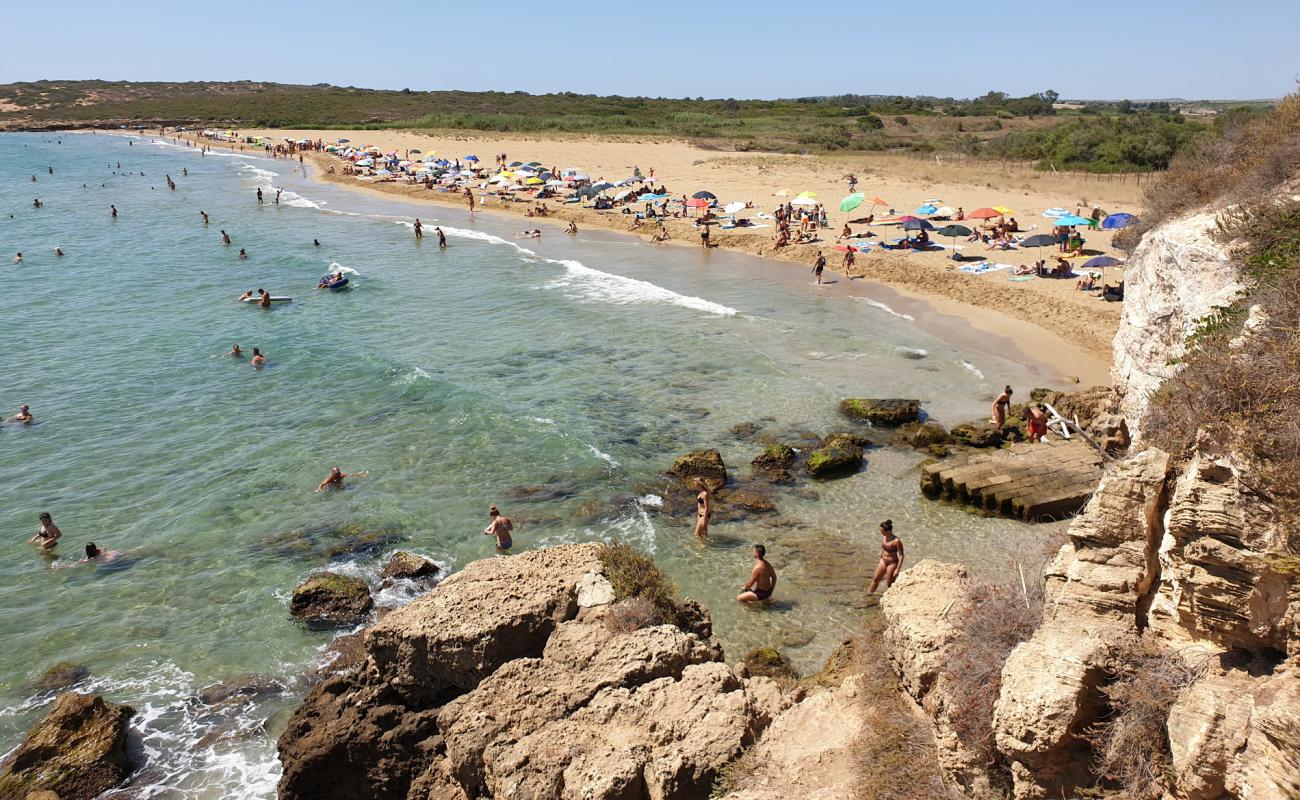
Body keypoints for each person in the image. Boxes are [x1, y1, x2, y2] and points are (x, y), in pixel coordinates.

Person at [867, 520, 904, 593]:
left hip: (892, 563)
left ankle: (894, 594)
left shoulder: (896, 541)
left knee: (889, 583)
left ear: (889, 531)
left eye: (882, 531)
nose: (881, 532)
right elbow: (885, 548)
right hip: (883, 560)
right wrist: (882, 554)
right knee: (876, 579)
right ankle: (869, 594)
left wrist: (897, 569)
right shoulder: (885, 537)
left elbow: (901, 555)